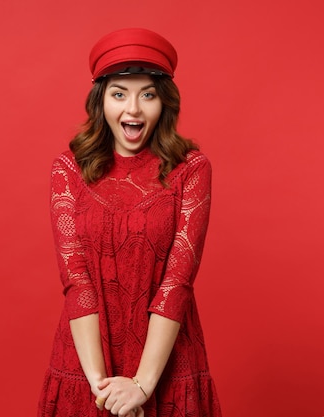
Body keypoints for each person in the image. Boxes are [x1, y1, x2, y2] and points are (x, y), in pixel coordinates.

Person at [38, 28, 222, 417]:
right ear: (100, 100)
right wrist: (103, 389)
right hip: (88, 363)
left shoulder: (191, 169)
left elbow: (178, 281)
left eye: (147, 95)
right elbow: (76, 280)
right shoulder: (68, 170)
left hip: (166, 364)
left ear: (164, 103)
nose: (133, 109)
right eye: (119, 93)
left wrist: (142, 385)